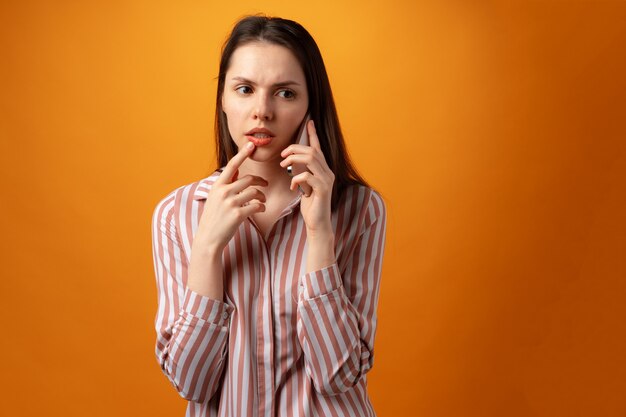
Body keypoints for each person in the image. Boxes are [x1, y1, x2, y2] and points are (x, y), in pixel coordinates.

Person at [151, 14, 387, 417]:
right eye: (244, 89)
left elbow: (339, 375)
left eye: (285, 93)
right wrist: (207, 249)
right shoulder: (177, 214)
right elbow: (191, 383)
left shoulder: (359, 209)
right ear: (223, 99)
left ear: (311, 103)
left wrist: (319, 234)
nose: (262, 111)